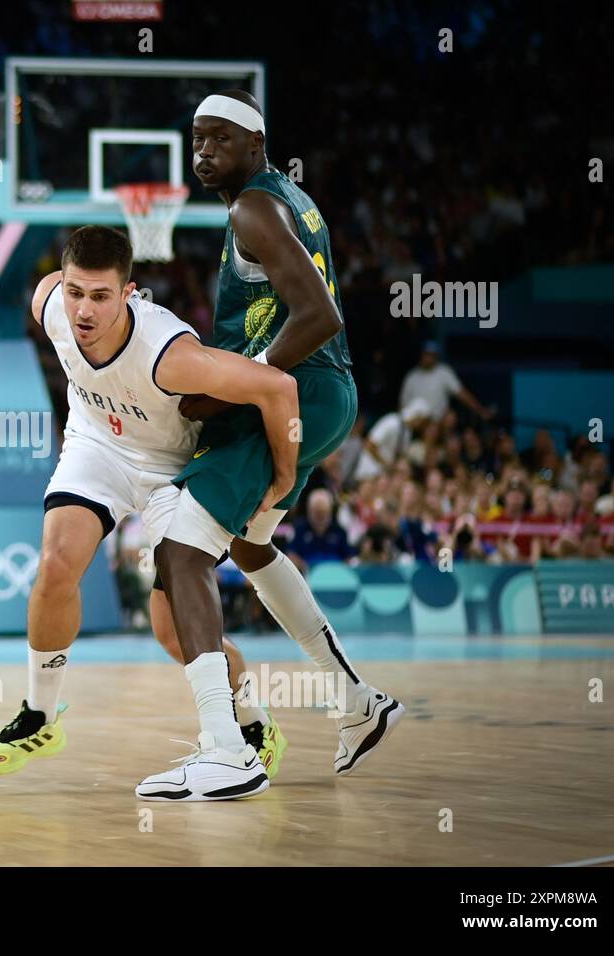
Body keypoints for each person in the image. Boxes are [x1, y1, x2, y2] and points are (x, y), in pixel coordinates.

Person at [136, 91, 403, 801]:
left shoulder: (251, 207)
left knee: (181, 551)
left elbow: (319, 314)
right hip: (322, 395)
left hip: (298, 391)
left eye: (219, 139)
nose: (203, 153)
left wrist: (237, 387)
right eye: (196, 139)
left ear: (256, 142)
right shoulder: (287, 197)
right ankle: (355, 699)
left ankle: (227, 750)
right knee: (250, 546)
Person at [0, 226, 298, 781]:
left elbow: (277, 386)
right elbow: (23, 290)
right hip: (96, 446)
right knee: (54, 566)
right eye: (76, 292)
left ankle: (254, 722)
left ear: (130, 293)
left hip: (170, 468)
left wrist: (285, 474)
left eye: (100, 296)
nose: (84, 310)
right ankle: (41, 715)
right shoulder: (47, 302)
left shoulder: (170, 355)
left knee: (172, 630)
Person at [399, 341, 492, 421]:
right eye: (426, 354)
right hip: (418, 420)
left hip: (438, 421)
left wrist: (480, 410)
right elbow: (403, 405)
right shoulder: (411, 376)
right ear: (421, 355)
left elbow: (461, 393)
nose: (429, 358)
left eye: (432, 355)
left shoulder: (443, 372)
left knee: (450, 416)